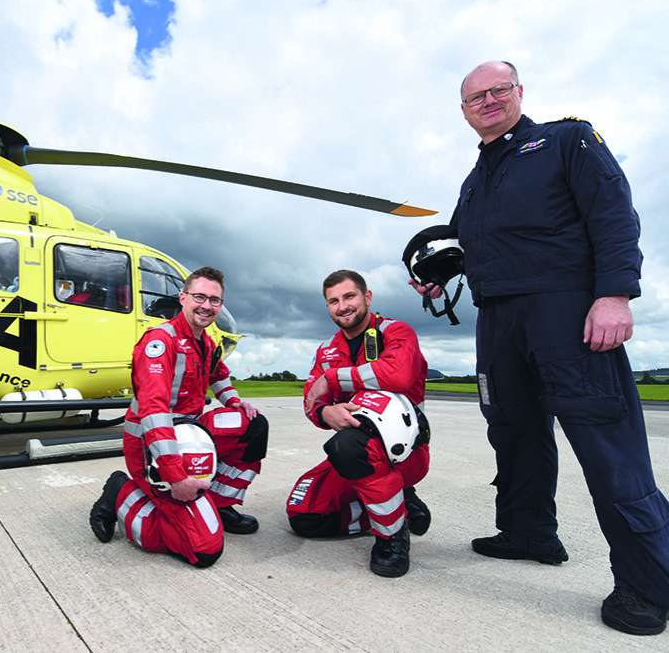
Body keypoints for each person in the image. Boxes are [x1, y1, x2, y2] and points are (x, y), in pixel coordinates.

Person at [410, 60, 669, 635]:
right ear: (463, 111)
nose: (488, 101)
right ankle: (528, 532)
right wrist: (441, 272)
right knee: (514, 431)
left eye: (498, 89)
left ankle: (651, 583)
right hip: (497, 321)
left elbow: (612, 212)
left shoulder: (566, 139)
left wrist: (615, 294)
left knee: (607, 447)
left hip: (565, 312)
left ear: (519, 92)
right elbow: (474, 244)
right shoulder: (475, 181)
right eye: (475, 96)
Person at [89, 266, 268, 567]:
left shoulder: (205, 342)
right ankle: (120, 493)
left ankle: (220, 504)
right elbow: (154, 411)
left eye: (214, 300)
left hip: (189, 433)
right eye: (199, 297)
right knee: (203, 551)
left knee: (253, 426)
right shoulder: (161, 341)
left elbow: (219, 376)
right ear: (183, 297)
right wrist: (175, 477)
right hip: (152, 444)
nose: (206, 306)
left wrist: (236, 402)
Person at [287, 269, 431, 578]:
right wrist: (326, 414)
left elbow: (398, 375)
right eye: (333, 301)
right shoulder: (327, 350)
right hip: (354, 455)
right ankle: (398, 507)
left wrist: (332, 378)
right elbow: (311, 399)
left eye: (349, 296)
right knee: (305, 517)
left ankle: (391, 537)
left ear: (367, 297)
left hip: (405, 455)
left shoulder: (397, 331)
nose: (342, 307)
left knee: (347, 445)